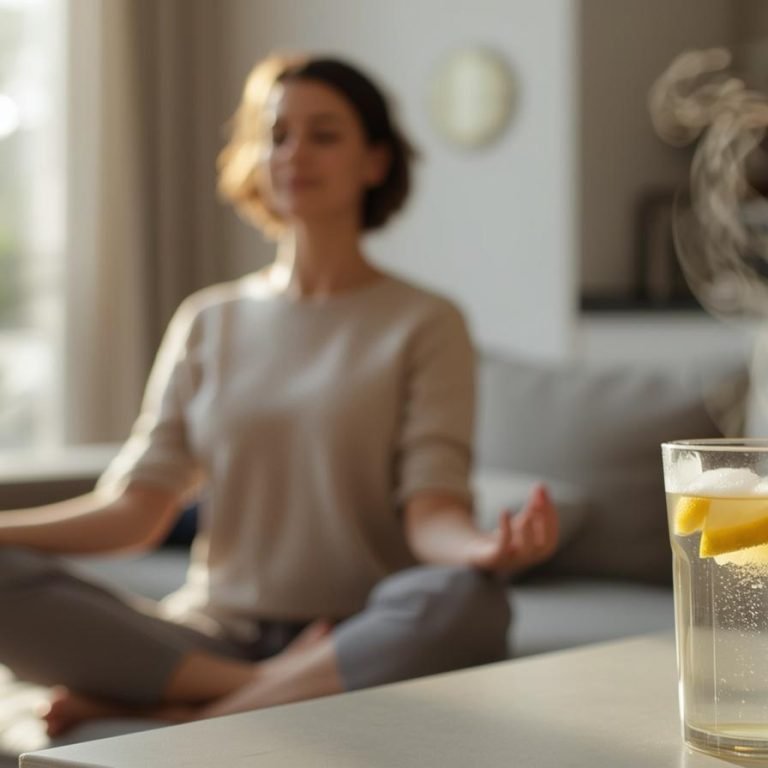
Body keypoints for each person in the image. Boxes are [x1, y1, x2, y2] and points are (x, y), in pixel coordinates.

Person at [0, 54, 558, 735]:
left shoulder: (425, 321)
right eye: (277, 134)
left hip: (362, 630)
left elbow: (430, 510)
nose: (295, 153)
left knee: (470, 602)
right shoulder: (208, 320)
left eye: (324, 135)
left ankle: (179, 713)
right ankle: (259, 690)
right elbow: (136, 514)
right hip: (211, 637)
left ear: (375, 161)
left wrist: (483, 551)